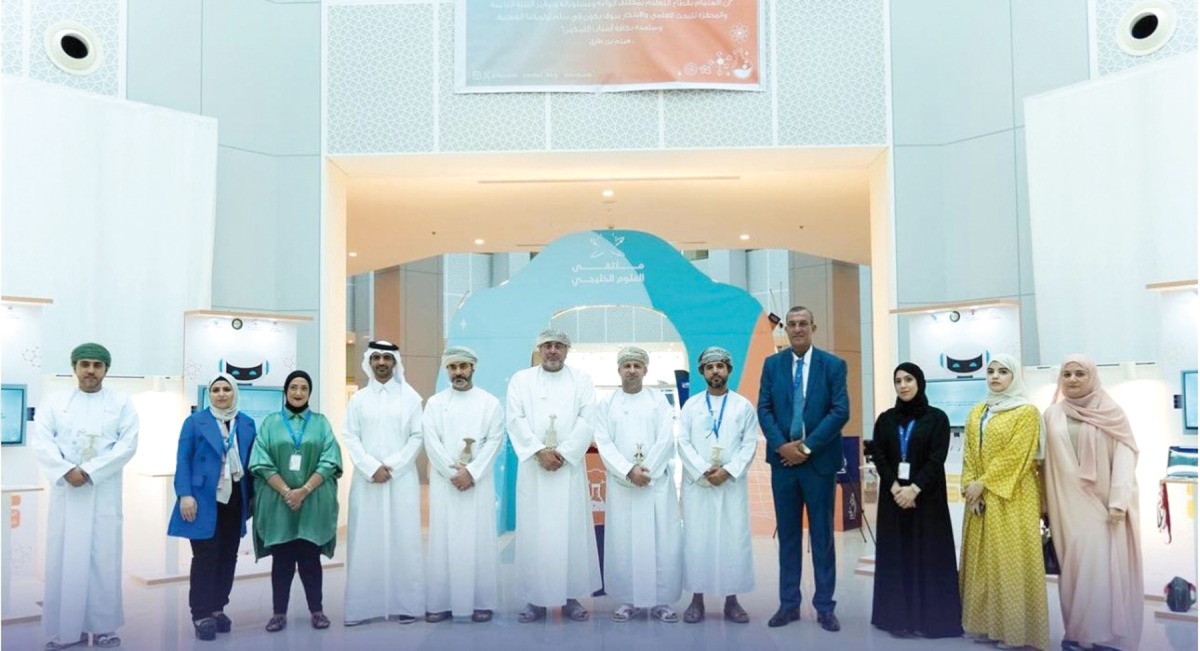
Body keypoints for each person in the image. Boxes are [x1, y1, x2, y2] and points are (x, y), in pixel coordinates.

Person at [32, 343, 139, 650]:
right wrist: (67, 470)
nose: (90, 370)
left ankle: (103, 628)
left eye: (97, 365)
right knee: (63, 560)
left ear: (106, 369)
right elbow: (42, 441)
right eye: (85, 364)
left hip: (102, 490)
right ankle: (68, 630)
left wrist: (90, 470)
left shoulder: (121, 402)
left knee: (103, 559)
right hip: (67, 492)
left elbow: (128, 444)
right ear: (74, 367)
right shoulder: (55, 402)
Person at [756, 306, 848, 632]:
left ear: (813, 326)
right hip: (783, 464)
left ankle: (825, 606)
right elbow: (764, 409)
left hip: (818, 464)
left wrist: (807, 448)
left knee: (822, 537)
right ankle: (788, 605)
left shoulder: (833, 365)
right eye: (792, 324)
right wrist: (783, 446)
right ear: (786, 329)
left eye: (803, 324)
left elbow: (840, 411)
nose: (797, 329)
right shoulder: (772, 365)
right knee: (789, 537)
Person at [1043, 355, 1142, 651]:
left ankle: (1107, 638)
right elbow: (1042, 463)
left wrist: (1118, 502)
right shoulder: (1051, 414)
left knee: (1103, 570)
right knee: (1074, 573)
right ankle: (1077, 634)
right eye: (1067, 374)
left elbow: (1126, 455)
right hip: (1066, 506)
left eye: (1079, 374)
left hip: (1103, 507)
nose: (1072, 380)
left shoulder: (1112, 412)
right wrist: (1043, 507)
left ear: (1093, 376)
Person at [505, 328, 602, 623]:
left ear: (567, 350)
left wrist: (565, 452)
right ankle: (535, 600)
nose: (552, 351)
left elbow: (588, 420)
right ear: (539, 349)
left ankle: (571, 597)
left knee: (570, 533)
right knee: (535, 534)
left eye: (558, 346)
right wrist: (539, 451)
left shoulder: (581, 380)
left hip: (567, 471)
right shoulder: (521, 380)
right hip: (534, 471)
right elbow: (515, 419)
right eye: (547, 345)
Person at [959, 354, 1049, 650]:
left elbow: (1018, 455)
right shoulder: (977, 411)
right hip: (979, 498)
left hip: (1012, 496)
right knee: (983, 561)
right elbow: (969, 452)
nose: (995, 377)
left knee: (1010, 561)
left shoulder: (1026, 412)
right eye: (991, 371)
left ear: (1014, 377)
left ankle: (1016, 630)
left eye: (1003, 372)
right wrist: (971, 487)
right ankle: (985, 625)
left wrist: (984, 483)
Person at [869, 363, 962, 638]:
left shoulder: (937, 418)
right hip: (893, 499)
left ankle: (930, 620)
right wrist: (896, 487)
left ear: (919, 382)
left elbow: (937, 457)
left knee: (927, 555)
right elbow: (880, 456)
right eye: (898, 381)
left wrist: (915, 489)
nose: (903, 385)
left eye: (908, 379)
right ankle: (896, 618)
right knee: (897, 556)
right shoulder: (886, 419)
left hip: (927, 500)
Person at [593, 346, 683, 623]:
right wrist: (628, 470)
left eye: (637, 366)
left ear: (645, 370)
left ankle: (661, 601)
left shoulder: (658, 400)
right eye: (627, 365)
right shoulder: (606, 405)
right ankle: (627, 600)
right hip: (624, 485)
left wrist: (647, 471)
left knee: (661, 541)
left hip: (654, 485)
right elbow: (603, 442)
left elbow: (666, 438)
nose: (632, 370)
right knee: (624, 542)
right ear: (618, 370)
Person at [249, 370, 343, 633]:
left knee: (310, 560)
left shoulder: (321, 423)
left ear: (309, 392)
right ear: (286, 391)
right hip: (280, 505)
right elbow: (260, 460)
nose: (298, 392)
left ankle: (317, 611)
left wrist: (303, 490)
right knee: (282, 562)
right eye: (293, 387)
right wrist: (287, 492)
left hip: (312, 503)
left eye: (304, 388)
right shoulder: (270, 423)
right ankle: (278, 613)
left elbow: (330, 459)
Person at [167, 373, 258, 641]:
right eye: (216, 389)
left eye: (226, 389)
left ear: (234, 392)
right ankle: (201, 613)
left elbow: (253, 464)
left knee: (228, 556)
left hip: (235, 499)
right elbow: (183, 460)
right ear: (210, 394)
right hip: (203, 498)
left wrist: (253, 498)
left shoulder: (247, 423)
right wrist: (184, 494)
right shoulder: (195, 422)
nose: (221, 394)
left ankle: (218, 608)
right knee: (205, 556)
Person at [341, 341, 425, 626]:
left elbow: (417, 436)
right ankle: (361, 608)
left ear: (394, 362)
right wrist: (371, 467)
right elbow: (350, 436)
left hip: (401, 480)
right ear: (369, 361)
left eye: (386, 358)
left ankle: (408, 605)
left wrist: (393, 466)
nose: (381, 362)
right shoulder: (358, 399)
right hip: (367, 482)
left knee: (404, 541)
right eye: (375, 357)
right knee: (365, 541)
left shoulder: (411, 398)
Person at [423, 345, 505, 623]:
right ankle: (440, 602)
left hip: (477, 484)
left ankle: (481, 602)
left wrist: (471, 472)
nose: (458, 372)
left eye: (463, 367)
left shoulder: (489, 403)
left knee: (478, 540)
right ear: (447, 370)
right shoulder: (435, 403)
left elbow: (495, 441)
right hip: (445, 484)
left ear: (473, 368)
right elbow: (431, 441)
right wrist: (452, 473)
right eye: (452, 367)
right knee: (443, 541)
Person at [677, 346, 758, 624]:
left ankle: (731, 601)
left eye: (720, 366)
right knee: (697, 541)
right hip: (699, 485)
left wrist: (728, 471)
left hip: (730, 485)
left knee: (733, 540)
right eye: (710, 367)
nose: (715, 371)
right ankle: (696, 600)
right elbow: (683, 442)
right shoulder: (691, 405)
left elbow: (749, 444)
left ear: (729, 370)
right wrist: (702, 469)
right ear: (702, 372)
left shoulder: (743, 406)